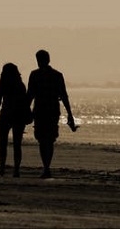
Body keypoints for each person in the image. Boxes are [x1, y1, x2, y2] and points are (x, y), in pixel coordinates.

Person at [26, 49, 76, 179]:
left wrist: (26, 111)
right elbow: (64, 96)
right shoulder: (56, 75)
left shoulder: (36, 75)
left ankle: (46, 167)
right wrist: (69, 114)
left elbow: (29, 96)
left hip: (42, 111)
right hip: (51, 111)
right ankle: (46, 167)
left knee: (44, 140)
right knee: (48, 139)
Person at [0, 63, 32, 177]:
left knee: (3, 143)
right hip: (18, 116)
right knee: (17, 144)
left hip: (5, 115)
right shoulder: (21, 85)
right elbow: (25, 102)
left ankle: (2, 168)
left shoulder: (2, 86)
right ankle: (16, 170)